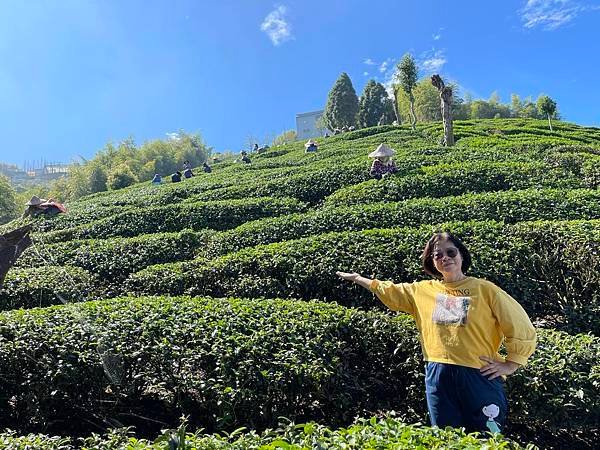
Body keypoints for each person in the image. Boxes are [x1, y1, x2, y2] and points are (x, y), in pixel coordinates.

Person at [336, 232, 536, 434]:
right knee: (446, 437)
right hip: (438, 374)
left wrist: (512, 363)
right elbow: (391, 291)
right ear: (432, 262)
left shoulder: (485, 289)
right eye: (438, 255)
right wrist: (359, 279)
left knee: (487, 438)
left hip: (478, 374)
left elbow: (518, 323)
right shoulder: (422, 290)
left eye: (451, 252)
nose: (445, 258)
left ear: (461, 255)